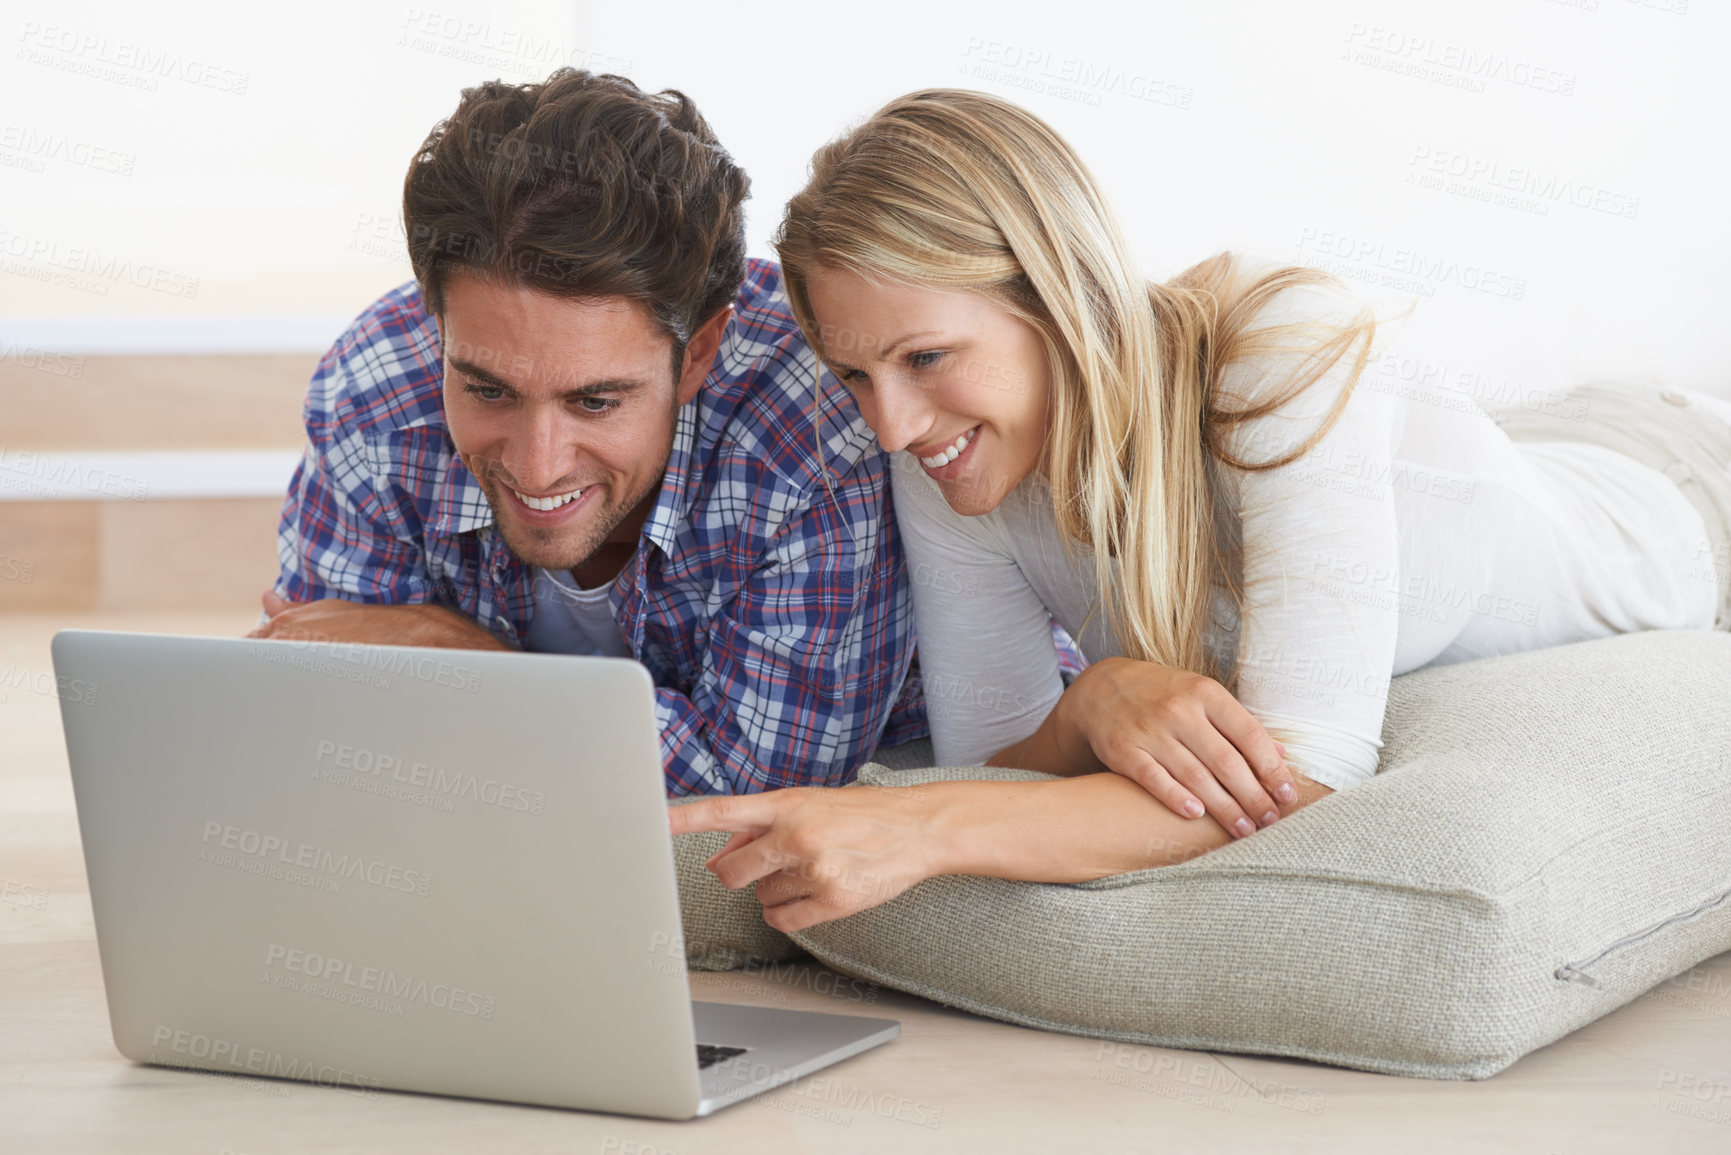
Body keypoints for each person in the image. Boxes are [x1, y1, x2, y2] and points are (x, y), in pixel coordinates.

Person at [672, 88, 1731, 930]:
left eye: (928, 357)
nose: (893, 425)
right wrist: (1088, 705)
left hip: (1673, 483)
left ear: (1058, 294)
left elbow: (1307, 774)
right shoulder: (948, 452)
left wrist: (918, 830)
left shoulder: (1273, 348)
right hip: (1499, 461)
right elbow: (989, 750)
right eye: (855, 375)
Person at [251, 69, 924, 796]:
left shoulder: (816, 426)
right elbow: (332, 718)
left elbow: (754, 799)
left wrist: (465, 665)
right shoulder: (376, 386)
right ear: (436, 326)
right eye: (486, 389)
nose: (537, 467)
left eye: (596, 401)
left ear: (697, 352)